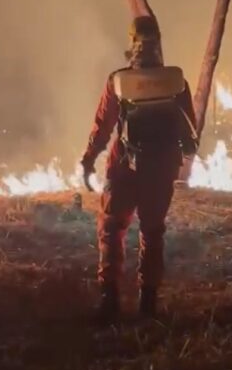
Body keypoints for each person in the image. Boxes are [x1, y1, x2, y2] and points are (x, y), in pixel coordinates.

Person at [80, 16, 198, 321]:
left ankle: (109, 299)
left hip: (124, 167)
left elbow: (103, 126)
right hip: (161, 167)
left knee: (111, 228)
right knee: (152, 231)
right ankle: (148, 302)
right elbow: (190, 135)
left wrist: (88, 159)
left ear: (131, 41)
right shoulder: (176, 82)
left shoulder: (119, 81)